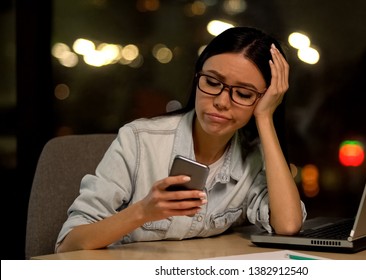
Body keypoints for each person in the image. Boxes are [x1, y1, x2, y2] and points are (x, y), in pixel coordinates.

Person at [56, 26, 307, 253]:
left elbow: (287, 225)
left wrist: (265, 118)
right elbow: (69, 244)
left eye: (242, 93)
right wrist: (143, 211)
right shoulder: (139, 140)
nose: (220, 101)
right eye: (211, 81)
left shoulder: (252, 156)